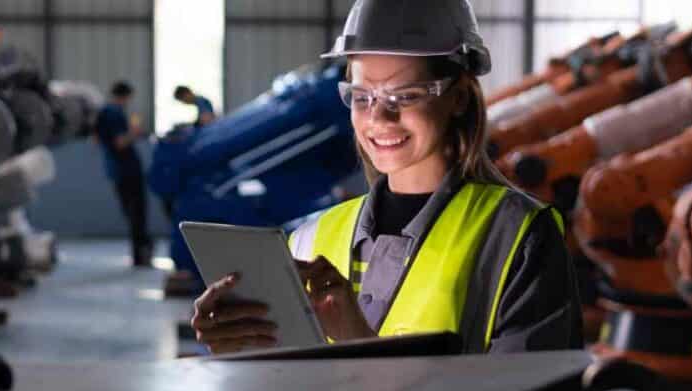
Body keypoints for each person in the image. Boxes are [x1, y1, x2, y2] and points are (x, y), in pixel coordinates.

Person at [190, 0, 582, 354]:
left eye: (406, 95)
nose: (379, 117)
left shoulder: (518, 236)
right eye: (362, 97)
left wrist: (357, 342)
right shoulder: (310, 238)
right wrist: (239, 349)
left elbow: (530, 389)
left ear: (459, 97)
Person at [96, 81, 153, 267]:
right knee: (137, 214)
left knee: (131, 213)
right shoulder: (114, 113)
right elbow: (120, 142)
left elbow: (97, 140)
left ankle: (139, 254)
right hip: (128, 170)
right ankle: (141, 254)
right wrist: (134, 132)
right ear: (126, 96)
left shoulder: (104, 113)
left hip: (117, 170)